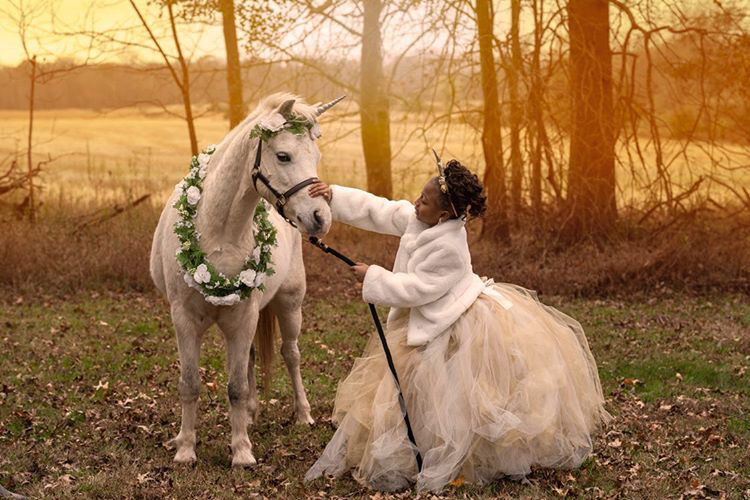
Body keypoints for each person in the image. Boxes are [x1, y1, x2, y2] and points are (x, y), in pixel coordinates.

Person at [304, 156, 611, 493]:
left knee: (447, 387)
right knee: (414, 385)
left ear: (445, 215)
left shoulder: (449, 246)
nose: (416, 202)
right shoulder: (422, 219)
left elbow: (419, 289)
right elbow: (382, 210)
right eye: (420, 196)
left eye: (425, 200)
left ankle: (459, 451)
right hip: (429, 314)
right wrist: (334, 195)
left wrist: (373, 277)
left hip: (450, 318)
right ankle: (419, 440)